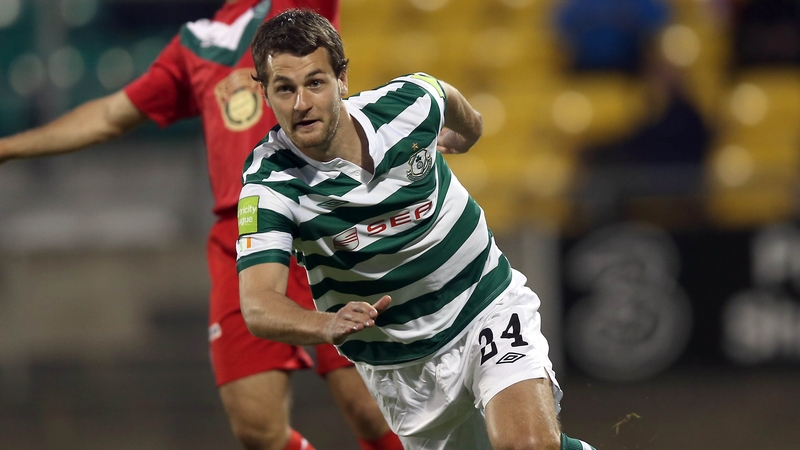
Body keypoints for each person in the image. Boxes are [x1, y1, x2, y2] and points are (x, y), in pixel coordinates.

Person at [0, 2, 401, 450]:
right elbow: (113, 114)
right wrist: (8, 147)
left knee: (369, 409)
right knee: (256, 426)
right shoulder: (197, 42)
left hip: (323, 219)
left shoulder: (296, 8)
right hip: (244, 234)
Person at [236, 9, 597, 450]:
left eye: (315, 82)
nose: (301, 104)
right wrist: (324, 324)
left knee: (528, 445)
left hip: (481, 304)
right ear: (264, 93)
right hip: (401, 367)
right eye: (284, 89)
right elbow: (257, 305)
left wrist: (470, 133)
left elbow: (445, 96)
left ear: (342, 79)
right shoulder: (269, 183)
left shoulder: (406, 104)